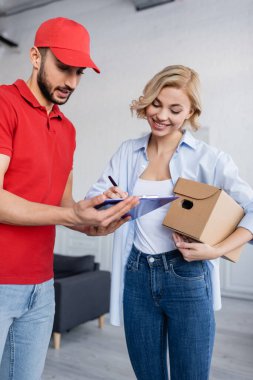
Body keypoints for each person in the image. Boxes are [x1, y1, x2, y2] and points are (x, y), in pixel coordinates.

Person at [86, 65, 253, 380]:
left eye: (175, 109)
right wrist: (108, 198)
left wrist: (216, 250)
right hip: (136, 275)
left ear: (191, 112)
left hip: (187, 277)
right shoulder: (127, 152)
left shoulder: (209, 158)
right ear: (146, 101)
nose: (162, 115)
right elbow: (92, 202)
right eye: (156, 104)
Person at [0, 17, 139, 380]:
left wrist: (93, 222)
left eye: (79, 72)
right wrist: (72, 216)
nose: (72, 82)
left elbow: (63, 206)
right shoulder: (3, 104)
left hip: (41, 288)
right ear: (34, 56)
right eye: (63, 68)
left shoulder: (67, 130)